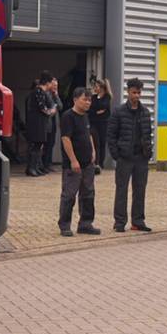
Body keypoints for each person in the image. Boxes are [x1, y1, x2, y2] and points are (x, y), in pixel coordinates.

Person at [107, 78, 153, 232]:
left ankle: (138, 221)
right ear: (128, 92)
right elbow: (111, 135)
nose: (137, 96)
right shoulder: (118, 111)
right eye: (134, 92)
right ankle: (119, 222)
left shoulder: (145, 112)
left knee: (140, 190)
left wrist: (148, 152)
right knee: (121, 190)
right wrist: (116, 155)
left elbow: (148, 134)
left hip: (141, 157)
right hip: (124, 157)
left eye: (139, 93)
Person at [57, 87, 99, 236]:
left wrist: (93, 151)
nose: (88, 103)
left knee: (88, 194)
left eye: (89, 100)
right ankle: (65, 225)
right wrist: (73, 160)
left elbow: (88, 135)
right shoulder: (68, 116)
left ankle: (86, 224)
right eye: (85, 99)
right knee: (69, 195)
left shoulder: (85, 116)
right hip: (73, 165)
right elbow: (65, 139)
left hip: (88, 164)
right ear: (75, 100)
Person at [23, 74, 55, 176]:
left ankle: (35, 167)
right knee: (35, 145)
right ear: (47, 83)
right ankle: (31, 168)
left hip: (41, 122)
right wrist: (50, 111)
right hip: (37, 122)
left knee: (38, 145)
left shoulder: (42, 92)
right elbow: (42, 107)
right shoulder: (38, 91)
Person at [89, 78, 113, 174]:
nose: (95, 88)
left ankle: (101, 163)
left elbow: (104, 107)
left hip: (103, 123)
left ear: (102, 88)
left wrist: (98, 109)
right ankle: (96, 162)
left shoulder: (107, 97)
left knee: (102, 142)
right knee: (95, 142)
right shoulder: (93, 97)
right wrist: (96, 111)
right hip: (94, 122)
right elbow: (91, 109)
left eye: (96, 86)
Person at [44, 77, 63, 171]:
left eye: (57, 86)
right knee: (46, 144)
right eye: (54, 85)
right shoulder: (46, 94)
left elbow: (60, 106)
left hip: (54, 122)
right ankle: (45, 164)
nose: (55, 87)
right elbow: (49, 108)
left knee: (51, 143)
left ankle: (49, 163)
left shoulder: (55, 95)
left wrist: (56, 96)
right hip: (47, 123)